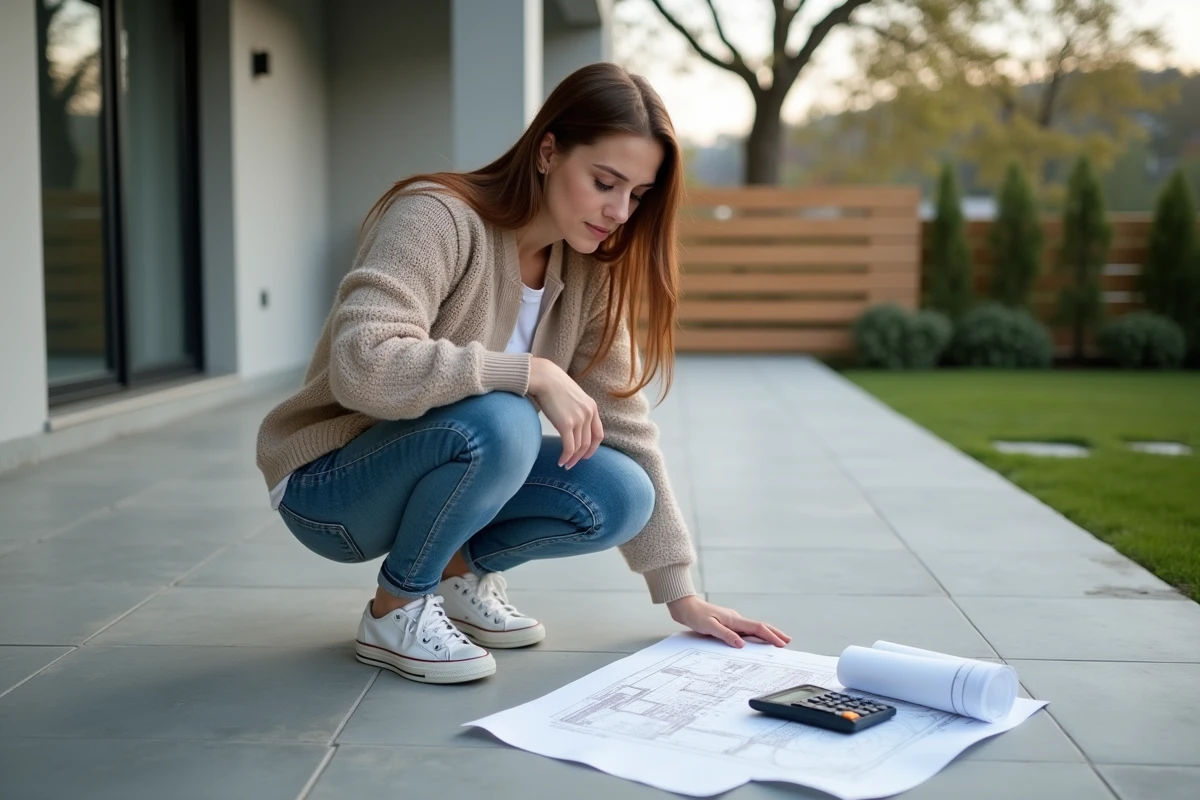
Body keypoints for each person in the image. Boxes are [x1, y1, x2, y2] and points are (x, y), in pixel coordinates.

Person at [255, 62, 790, 685]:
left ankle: (454, 573)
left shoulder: (588, 269)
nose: (620, 210)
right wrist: (527, 371)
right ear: (547, 151)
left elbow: (625, 424)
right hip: (331, 486)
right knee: (505, 416)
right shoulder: (437, 216)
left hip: (437, 464)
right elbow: (360, 365)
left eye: (637, 194)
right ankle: (395, 608)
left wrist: (680, 594)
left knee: (623, 492)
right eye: (604, 182)